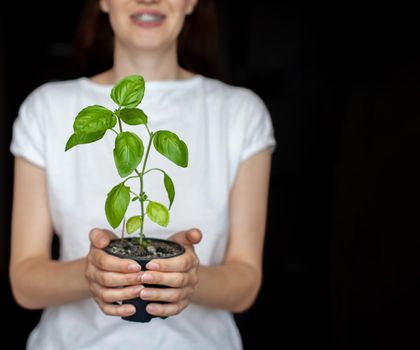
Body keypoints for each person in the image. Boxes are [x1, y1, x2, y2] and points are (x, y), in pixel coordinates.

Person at [9, 0, 276, 349]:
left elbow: (245, 284)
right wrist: (91, 271)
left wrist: (190, 278)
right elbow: (25, 283)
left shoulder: (241, 113)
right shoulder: (46, 109)